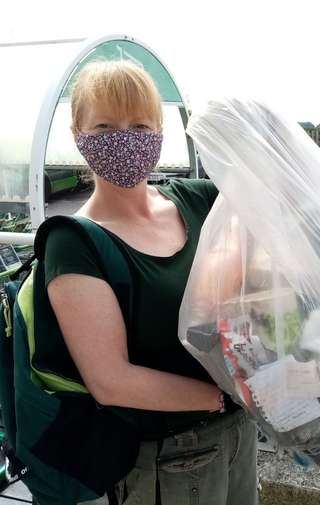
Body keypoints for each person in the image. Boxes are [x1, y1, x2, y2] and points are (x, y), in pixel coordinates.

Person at [44, 59, 258, 505]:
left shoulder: (200, 201)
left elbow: (262, 278)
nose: (124, 138)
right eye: (104, 125)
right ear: (78, 133)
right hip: (171, 461)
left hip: (242, 434)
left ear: (161, 131)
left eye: (140, 124)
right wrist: (227, 396)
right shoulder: (75, 243)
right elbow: (112, 381)